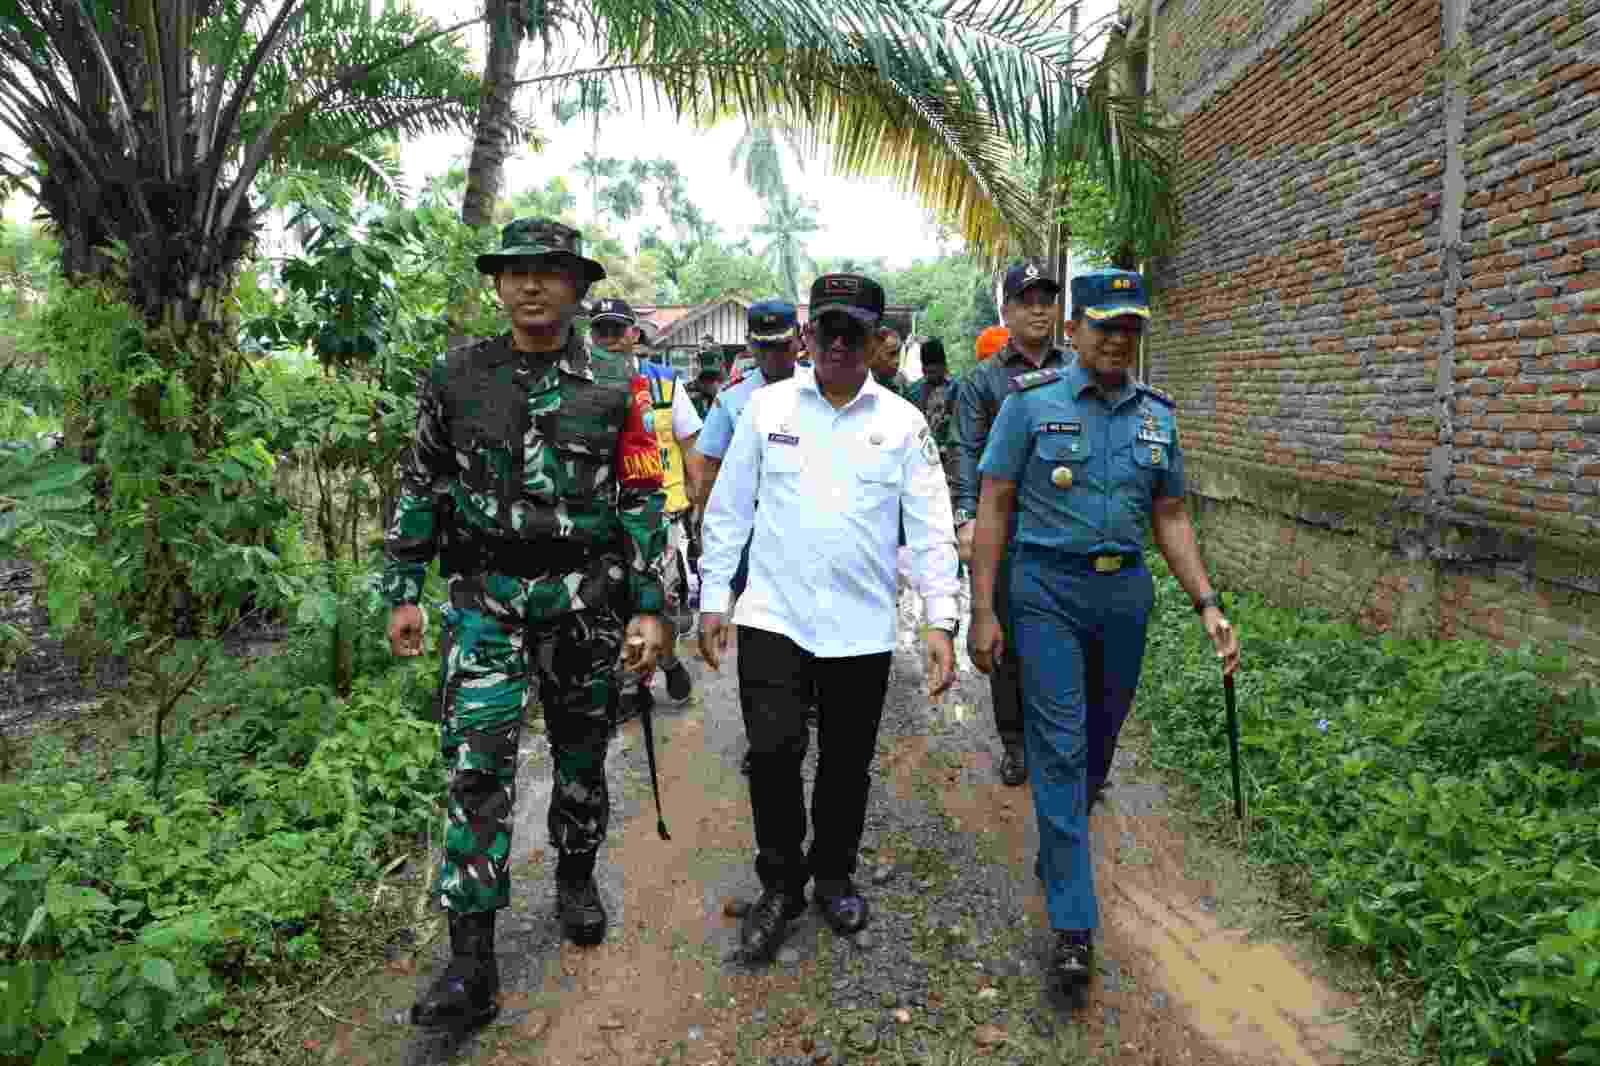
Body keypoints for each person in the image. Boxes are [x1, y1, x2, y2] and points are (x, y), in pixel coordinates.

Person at [384, 218, 670, 1029]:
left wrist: (650, 604)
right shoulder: (456, 376)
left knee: (581, 755)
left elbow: (643, 494)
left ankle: (575, 877)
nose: (530, 285)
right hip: (485, 601)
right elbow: (420, 479)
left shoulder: (617, 383)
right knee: (477, 770)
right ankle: (470, 962)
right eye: (515, 271)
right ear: (497, 284)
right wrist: (404, 587)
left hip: (582, 600)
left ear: (577, 286)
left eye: (548, 271)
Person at [968, 268, 1241, 998]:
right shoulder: (1030, 407)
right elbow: (993, 506)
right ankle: (1073, 924)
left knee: (1099, 744)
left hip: (1125, 595)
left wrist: (1207, 602)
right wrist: (983, 609)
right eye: (1106, 325)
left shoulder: (1157, 415)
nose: (1120, 339)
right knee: (1057, 745)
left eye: (1131, 328)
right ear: (1074, 330)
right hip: (1046, 589)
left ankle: (1062, 845)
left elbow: (1173, 516)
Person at [698, 272, 960, 964]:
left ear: (877, 342)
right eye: (831, 330)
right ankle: (780, 882)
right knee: (775, 753)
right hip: (773, 619)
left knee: (846, 764)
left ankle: (834, 873)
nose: (842, 345)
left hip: (860, 628)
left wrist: (942, 620)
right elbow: (728, 510)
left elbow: (931, 526)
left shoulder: (903, 425)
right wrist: (713, 599)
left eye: (857, 333)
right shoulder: (767, 410)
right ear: (810, 335)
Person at [952, 262, 1073, 787]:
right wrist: (966, 518)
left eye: (1047, 298)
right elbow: (967, 452)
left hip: (1065, 529)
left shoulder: (1077, 370)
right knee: (1005, 638)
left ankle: (1065, 740)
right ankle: (1015, 742)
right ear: (1007, 311)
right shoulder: (982, 381)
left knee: (1066, 639)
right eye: (1027, 300)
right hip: (1005, 530)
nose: (1039, 308)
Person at [694, 300, 808, 773]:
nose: (773, 358)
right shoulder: (734, 401)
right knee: (762, 640)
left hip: (808, 532)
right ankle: (762, 734)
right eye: (763, 348)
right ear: (751, 347)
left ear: (798, 340)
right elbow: (706, 463)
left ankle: (804, 709)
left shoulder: (823, 389)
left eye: (781, 347)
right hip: (752, 539)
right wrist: (708, 526)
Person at [588, 297, 705, 717]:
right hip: (604, 521)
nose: (611, 339)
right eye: (601, 330)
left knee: (662, 604)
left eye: (618, 330)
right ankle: (635, 684)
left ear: (634, 335)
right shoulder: (580, 387)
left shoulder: (664, 385)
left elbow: (693, 448)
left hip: (663, 517)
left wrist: (699, 507)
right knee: (615, 604)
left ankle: (666, 658)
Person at [905, 338, 958, 489]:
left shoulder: (959, 388)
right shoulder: (913, 392)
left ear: (944, 366)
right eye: (926, 371)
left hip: (951, 463)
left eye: (934, 371)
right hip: (921, 462)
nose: (930, 376)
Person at [687, 347, 728, 419]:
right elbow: (722, 377)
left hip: (704, 384)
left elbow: (694, 373)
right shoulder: (716, 357)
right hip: (708, 385)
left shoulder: (700, 356)